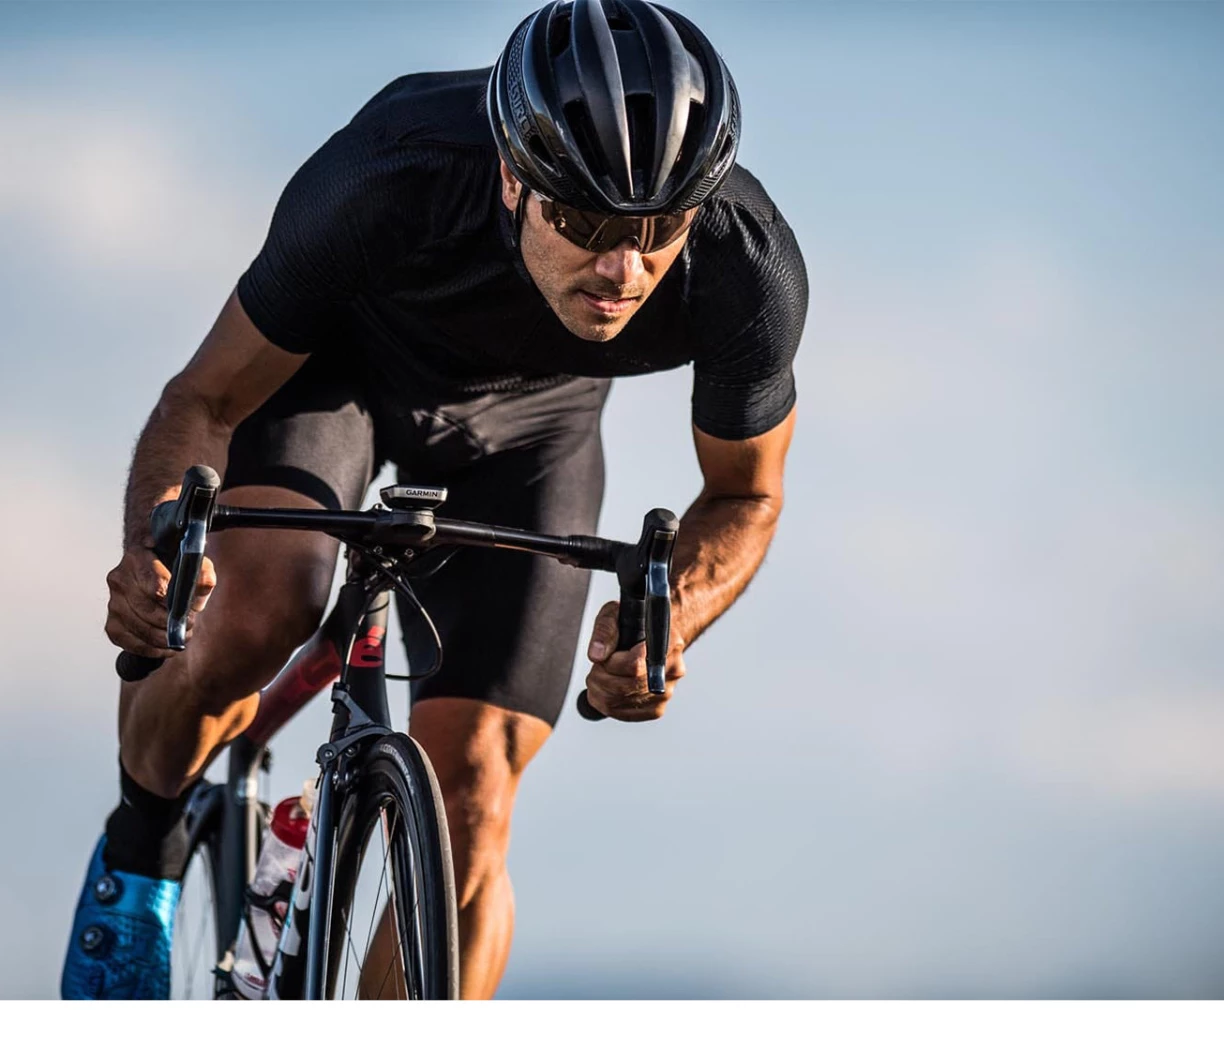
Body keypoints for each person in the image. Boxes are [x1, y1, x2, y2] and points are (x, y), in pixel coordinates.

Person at [62, 0, 806, 1000]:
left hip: (534, 430)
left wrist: (670, 622)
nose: (623, 268)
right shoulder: (388, 175)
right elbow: (204, 400)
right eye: (586, 223)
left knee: (475, 800)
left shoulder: (745, 263)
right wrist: (153, 551)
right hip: (339, 374)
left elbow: (746, 495)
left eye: (658, 229)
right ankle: (140, 846)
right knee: (259, 607)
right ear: (512, 177)